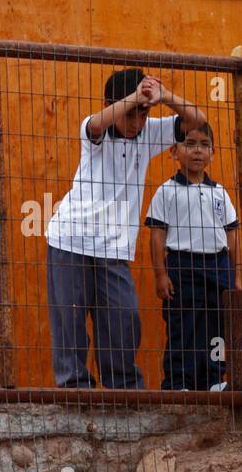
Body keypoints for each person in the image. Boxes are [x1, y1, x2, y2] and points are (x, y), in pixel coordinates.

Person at [45, 68, 207, 388]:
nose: (137, 123)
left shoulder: (149, 133)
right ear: (111, 104)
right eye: (130, 114)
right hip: (69, 239)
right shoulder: (95, 133)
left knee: (123, 320)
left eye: (144, 115)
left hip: (112, 248)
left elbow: (198, 121)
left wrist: (164, 97)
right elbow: (97, 122)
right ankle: (76, 390)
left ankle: (124, 390)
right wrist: (134, 98)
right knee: (70, 322)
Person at [146, 122, 241, 391]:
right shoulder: (166, 191)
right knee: (182, 327)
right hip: (181, 268)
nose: (197, 151)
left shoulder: (220, 193)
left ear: (213, 152)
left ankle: (214, 379)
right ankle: (179, 383)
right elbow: (157, 235)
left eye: (204, 145)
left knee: (217, 329)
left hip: (217, 268)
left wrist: (237, 276)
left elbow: (232, 236)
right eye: (190, 144)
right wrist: (161, 275)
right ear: (174, 151)